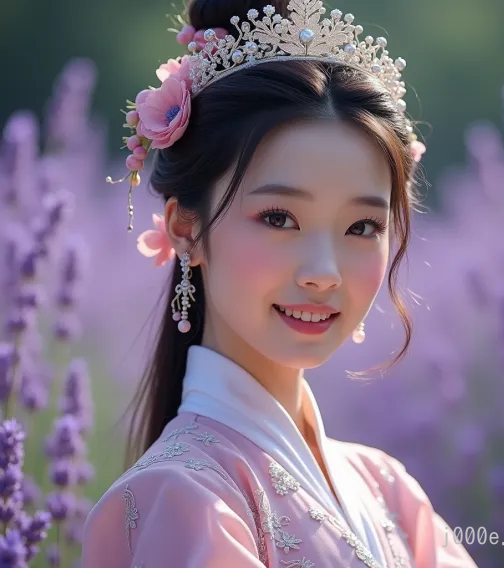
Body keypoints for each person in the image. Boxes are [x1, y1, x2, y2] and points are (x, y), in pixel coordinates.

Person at [82, 0, 477, 566]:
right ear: (185, 228)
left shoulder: (388, 489)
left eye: (362, 226)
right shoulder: (186, 498)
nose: (324, 272)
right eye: (278, 218)